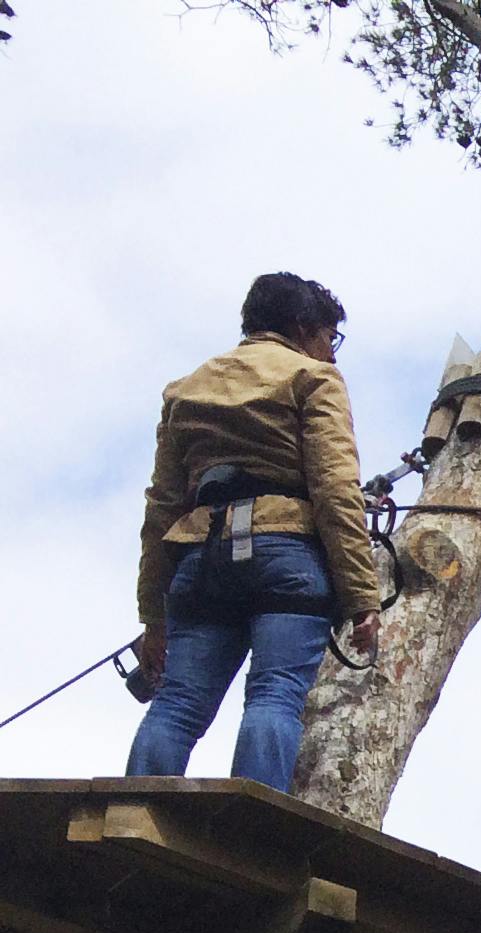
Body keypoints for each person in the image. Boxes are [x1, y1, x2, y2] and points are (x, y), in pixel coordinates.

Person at [127, 272, 382, 792]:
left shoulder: (187, 390)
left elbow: (162, 509)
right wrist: (362, 595)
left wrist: (154, 619)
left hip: (201, 559)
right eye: (328, 339)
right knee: (275, 694)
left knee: (176, 705)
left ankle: (136, 805)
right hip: (284, 552)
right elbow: (335, 489)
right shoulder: (313, 378)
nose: (332, 354)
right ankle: (254, 822)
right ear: (302, 327)